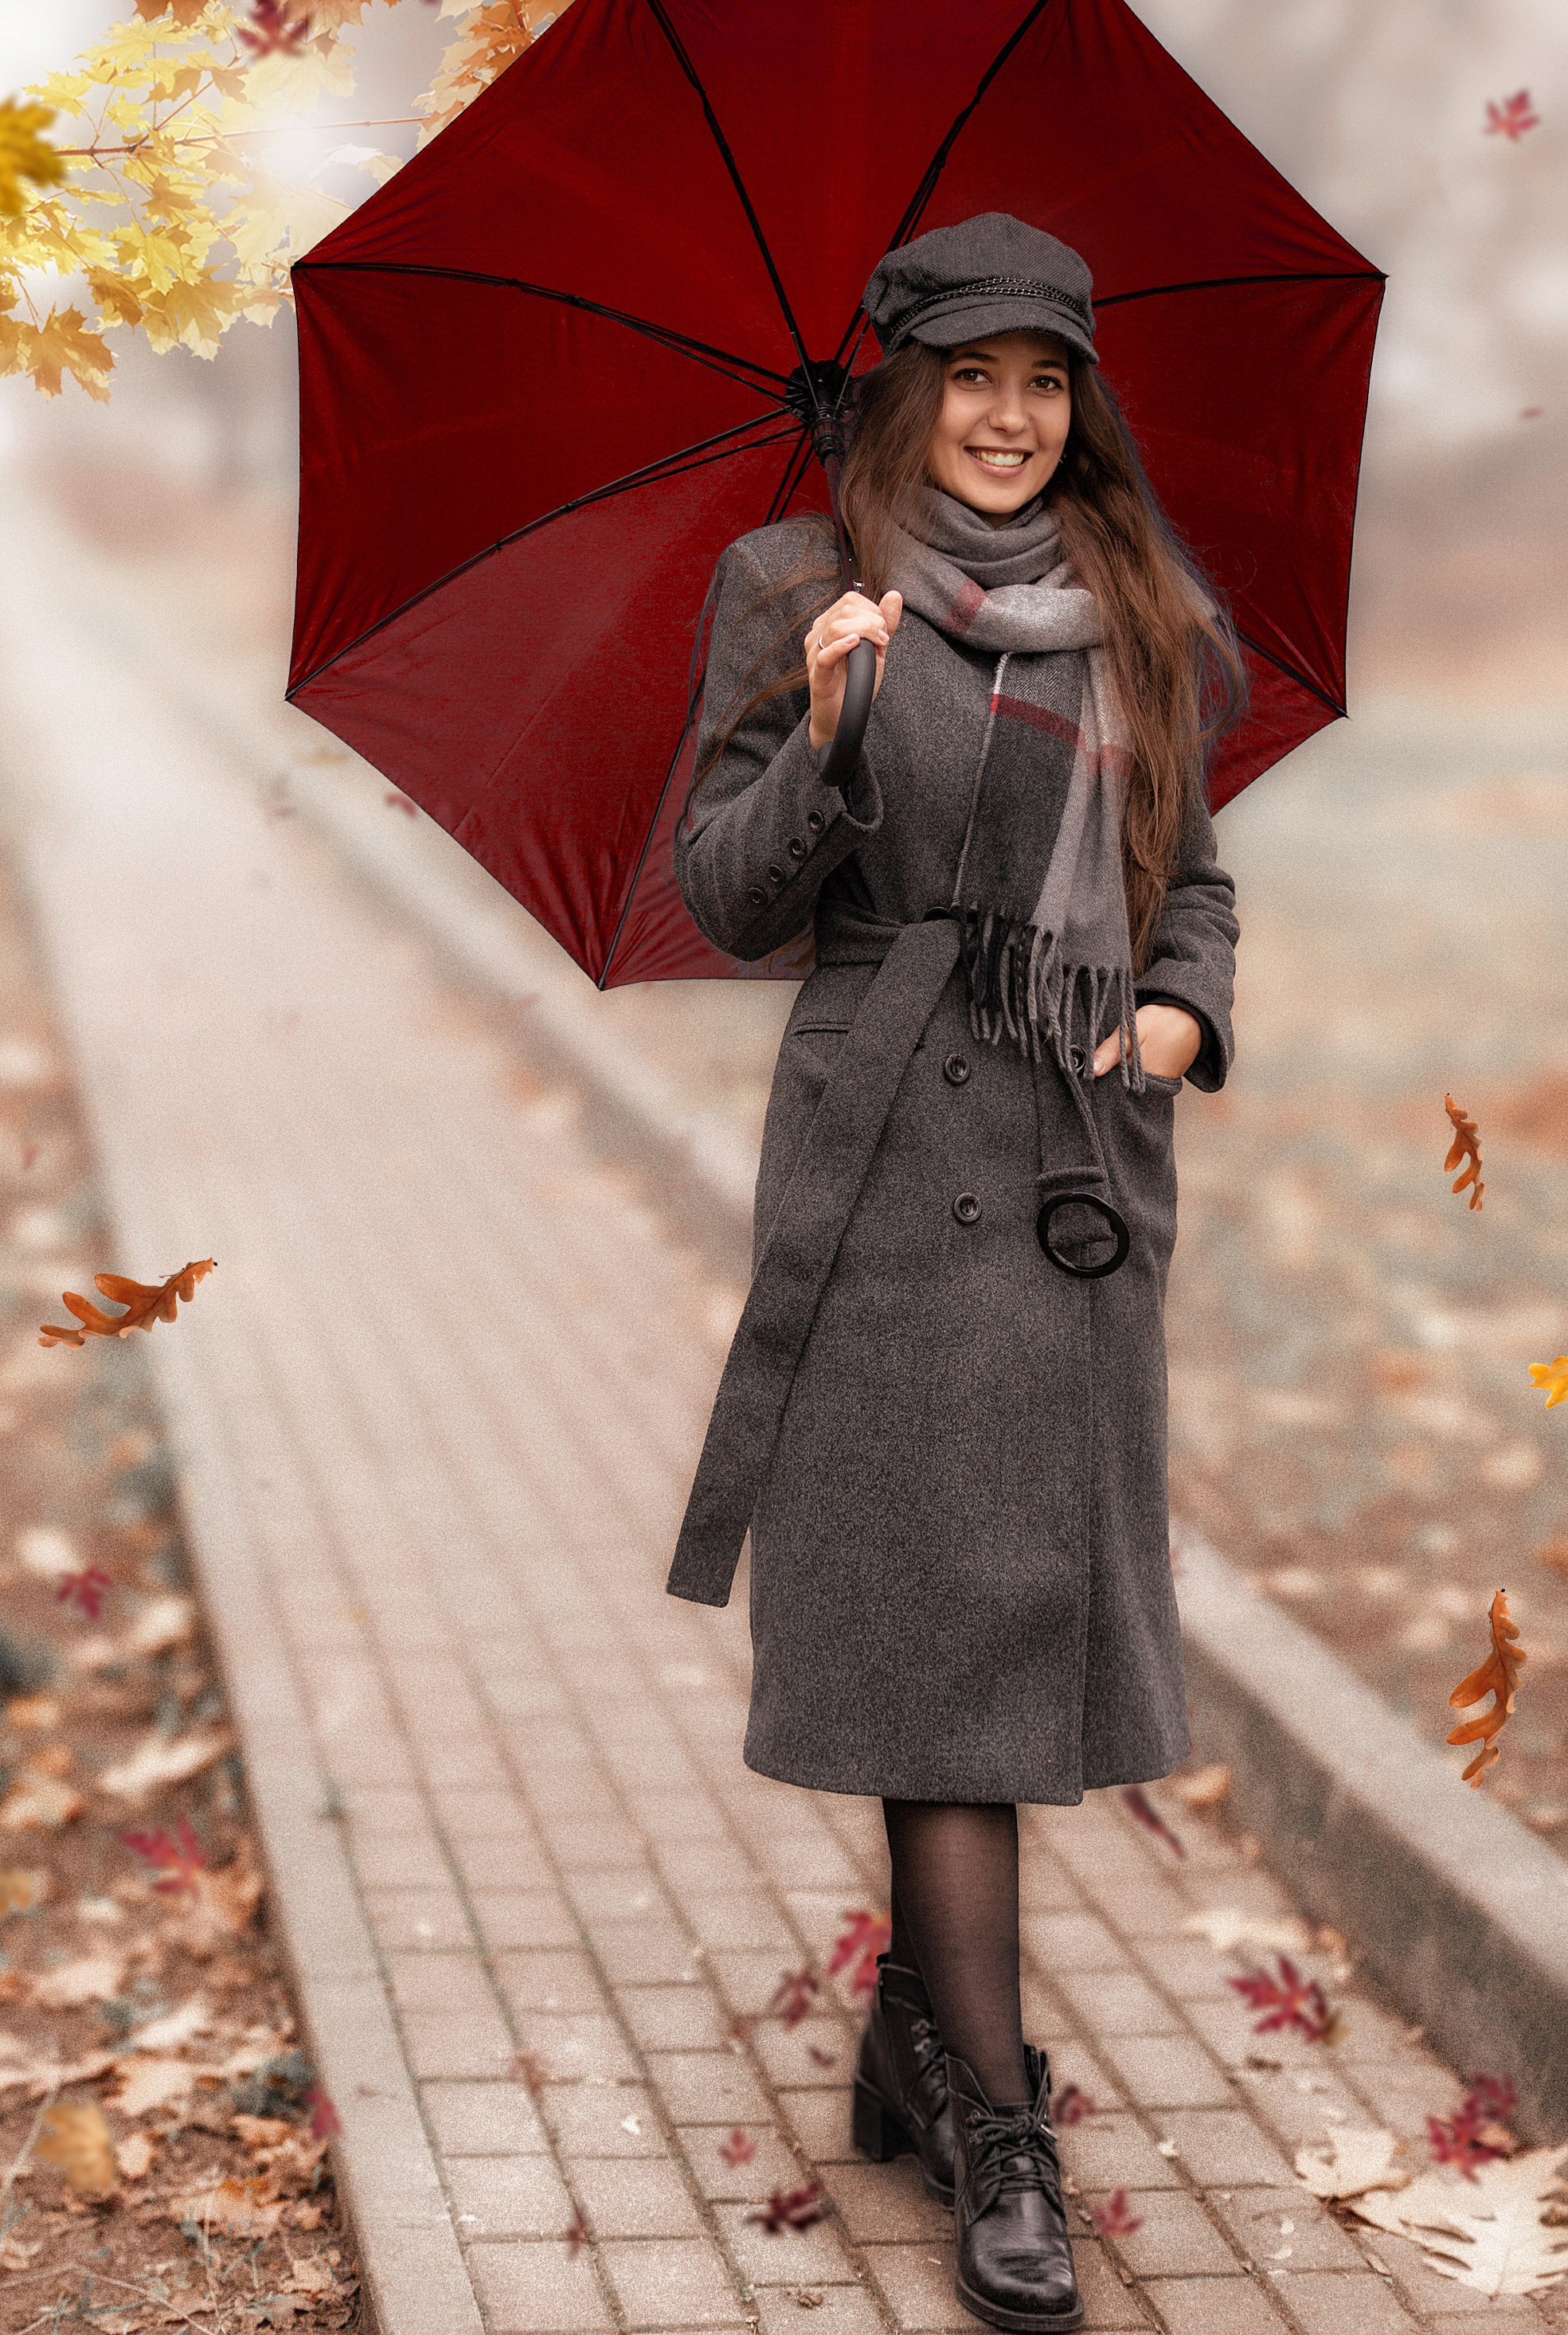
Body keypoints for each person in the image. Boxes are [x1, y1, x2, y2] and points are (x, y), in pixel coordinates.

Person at [666, 213, 1242, 2334]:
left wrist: (1178, 1009)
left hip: (1081, 1170)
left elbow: (1194, 867)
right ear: (899, 391)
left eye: (1043, 381)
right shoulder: (795, 593)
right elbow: (722, 899)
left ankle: (920, 2041)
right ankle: (1002, 2112)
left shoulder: (1145, 612)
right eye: (969, 378)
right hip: (891, 1162)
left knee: (1007, 1615)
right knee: (936, 1638)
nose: (1007, 419)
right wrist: (823, 742)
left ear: (1075, 404)